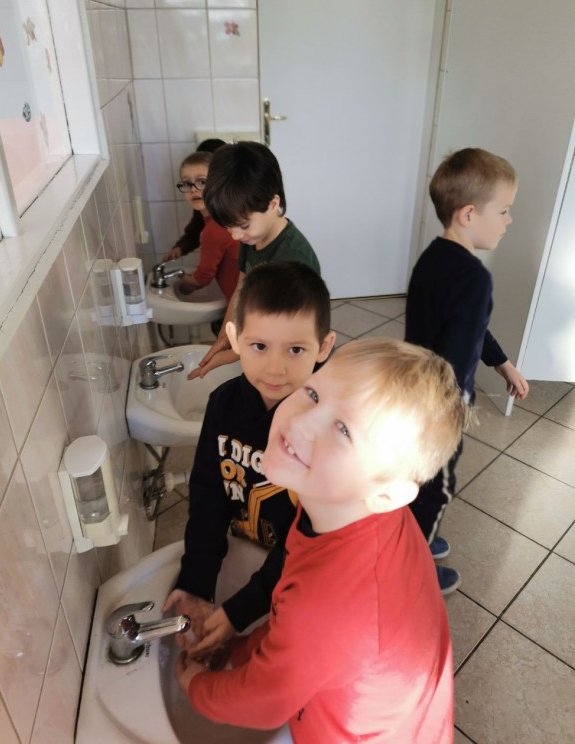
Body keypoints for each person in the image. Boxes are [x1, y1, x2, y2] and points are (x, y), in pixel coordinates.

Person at [175, 338, 467, 743]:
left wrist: (195, 685)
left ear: (388, 493)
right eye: (313, 393)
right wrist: (240, 647)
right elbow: (296, 631)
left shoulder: (328, 604)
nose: (301, 422)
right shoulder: (347, 509)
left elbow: (264, 701)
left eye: (344, 430)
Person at [163, 261, 335, 655]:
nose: (275, 369)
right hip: (247, 546)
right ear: (235, 338)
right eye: (259, 346)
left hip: (300, 575)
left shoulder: (323, 428)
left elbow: (310, 536)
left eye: (296, 349)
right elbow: (208, 493)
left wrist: (240, 611)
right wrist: (196, 583)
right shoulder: (222, 405)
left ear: (323, 347)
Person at [405, 147, 529, 595]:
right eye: (504, 210)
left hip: (415, 393)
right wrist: (454, 411)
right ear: (469, 214)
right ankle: (413, 566)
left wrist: (502, 363)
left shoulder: (431, 259)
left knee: (418, 479)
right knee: (437, 486)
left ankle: (415, 535)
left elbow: (470, 326)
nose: (509, 220)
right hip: (440, 407)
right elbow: (458, 356)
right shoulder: (474, 278)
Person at [187, 141, 320, 381]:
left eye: (243, 225)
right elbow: (242, 288)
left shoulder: (292, 259)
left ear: (273, 204)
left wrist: (235, 352)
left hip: (293, 359)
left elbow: (283, 333)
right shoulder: (252, 238)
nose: (236, 236)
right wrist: (226, 335)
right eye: (229, 227)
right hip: (266, 345)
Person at [163, 151, 240, 304]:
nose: (193, 189)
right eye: (186, 183)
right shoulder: (225, 216)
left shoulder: (214, 228)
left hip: (243, 303)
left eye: (202, 182)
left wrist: (183, 286)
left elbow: (204, 276)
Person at [163, 138, 226, 261]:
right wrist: (181, 247)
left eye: (202, 181)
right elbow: (195, 230)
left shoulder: (234, 209)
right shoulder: (201, 203)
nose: (194, 189)